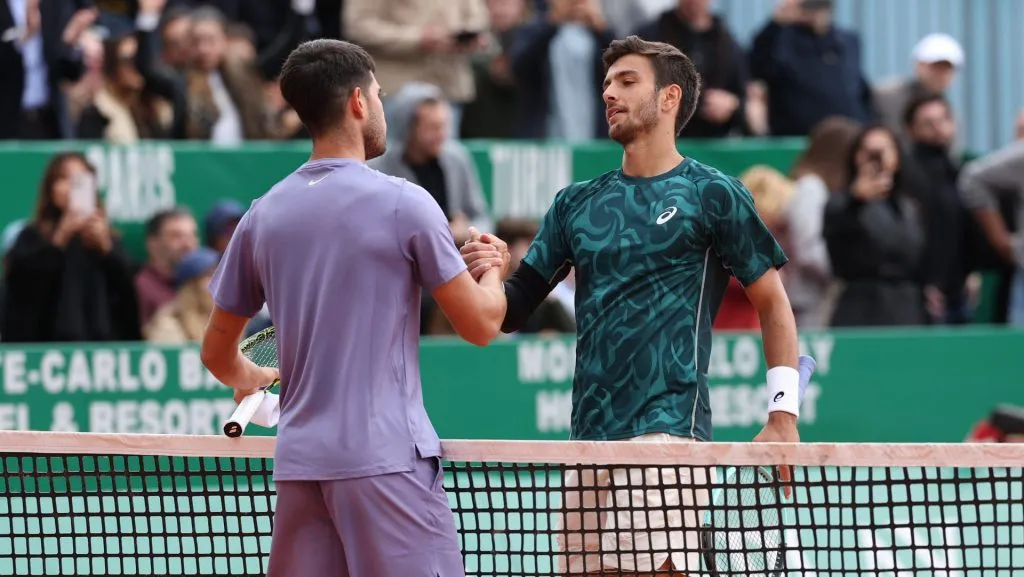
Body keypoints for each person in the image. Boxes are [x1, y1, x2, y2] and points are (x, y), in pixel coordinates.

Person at [460, 35, 801, 577]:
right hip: (587, 438)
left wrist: (783, 414)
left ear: (669, 98)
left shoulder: (712, 193)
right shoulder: (576, 203)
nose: (609, 94)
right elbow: (509, 311)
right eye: (606, 84)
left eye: (626, 81)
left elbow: (773, 301)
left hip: (667, 429)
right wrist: (492, 270)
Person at [199, 39, 508, 577]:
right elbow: (482, 325)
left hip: (300, 469)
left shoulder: (262, 214)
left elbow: (217, 355)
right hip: (387, 466)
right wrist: (494, 269)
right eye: (380, 95)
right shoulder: (405, 201)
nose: (382, 107)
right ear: (359, 103)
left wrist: (257, 374)